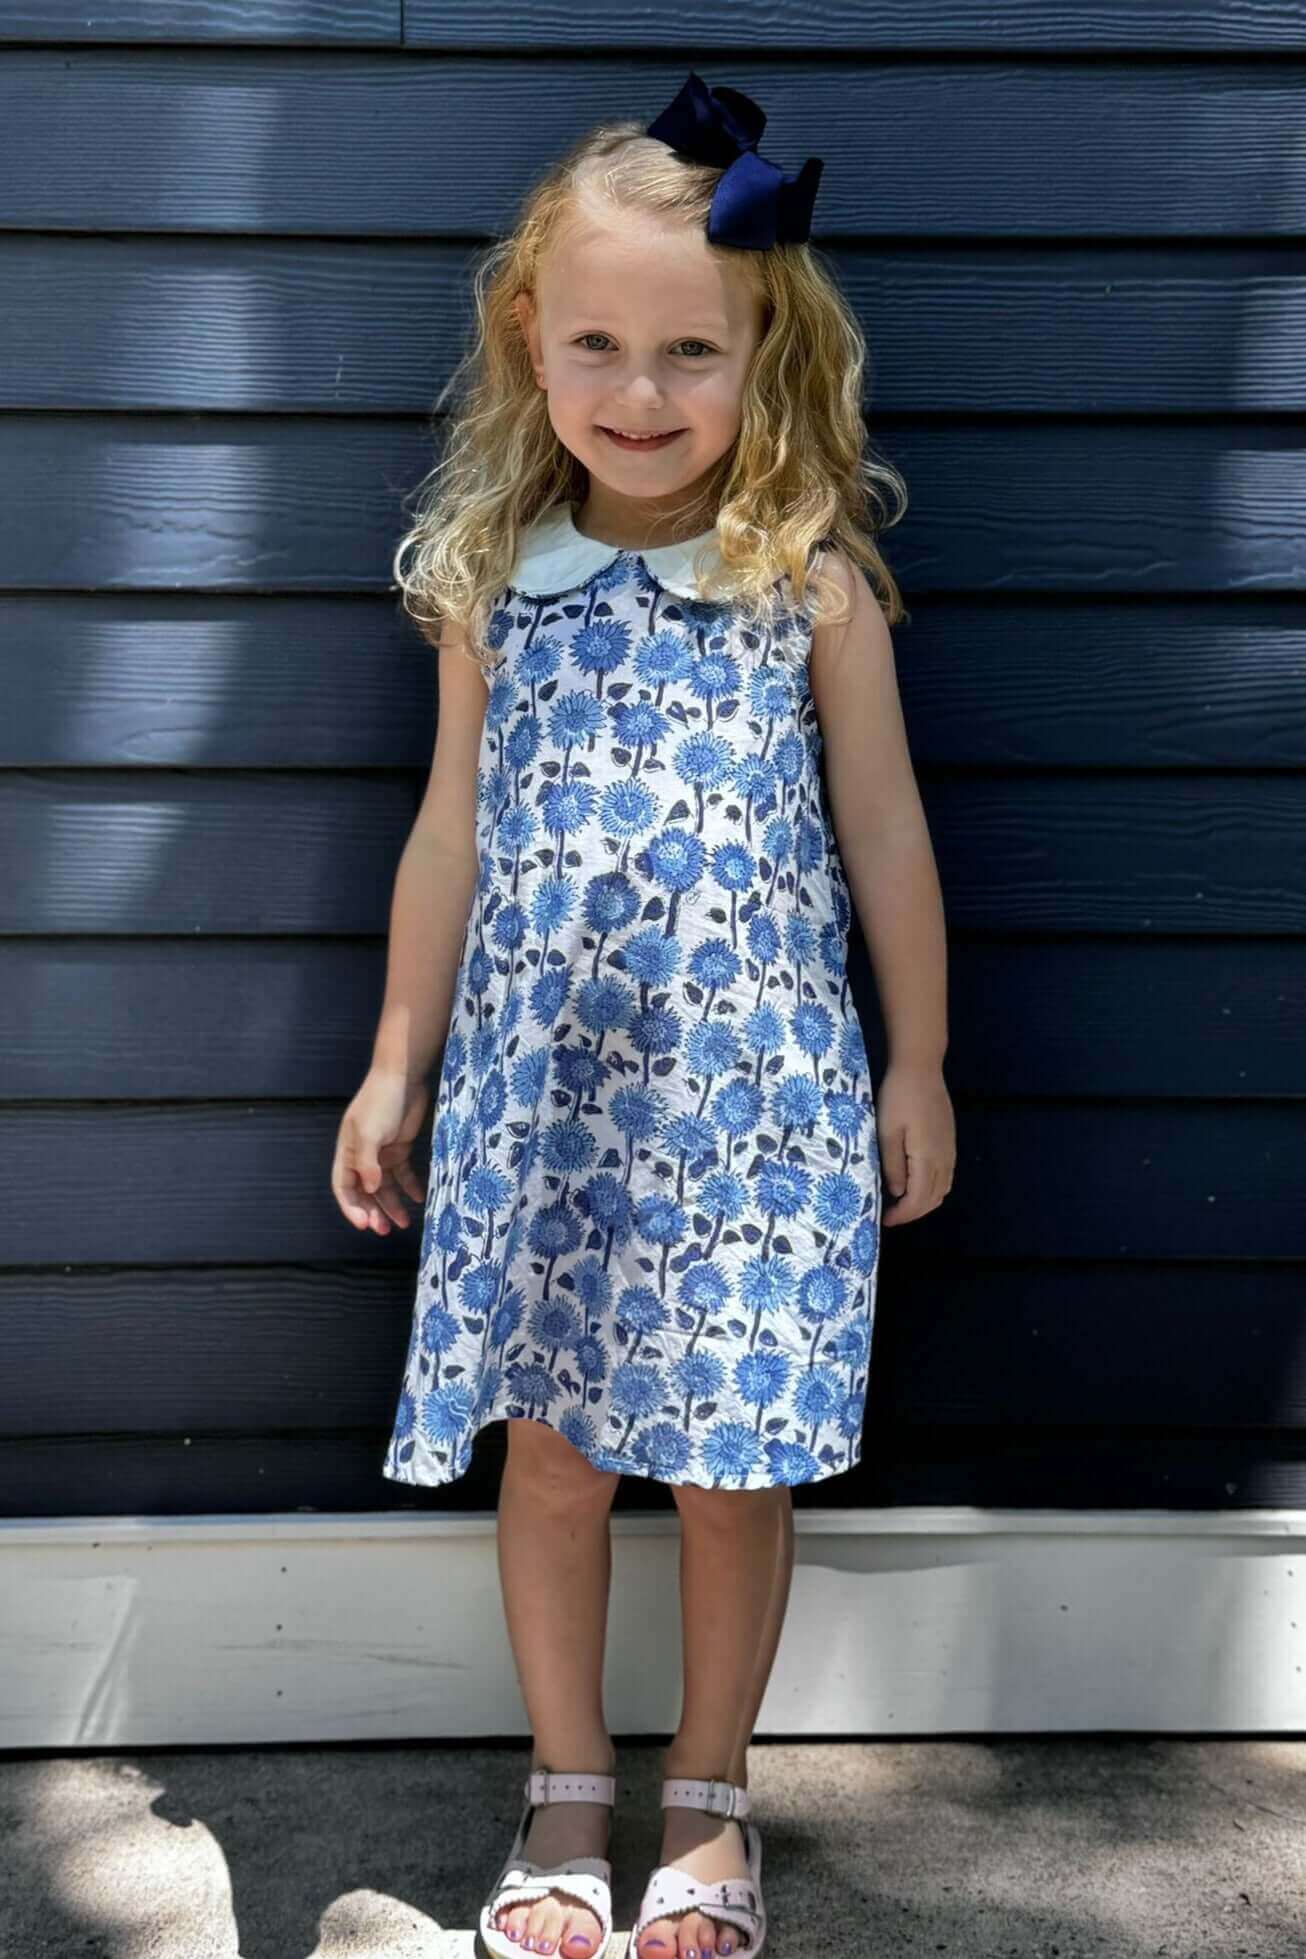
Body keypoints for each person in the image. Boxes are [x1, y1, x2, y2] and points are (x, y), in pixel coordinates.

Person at [331, 69, 956, 1959]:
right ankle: (563, 1777)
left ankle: (706, 1793)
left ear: (768, 356)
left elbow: (885, 828)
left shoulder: (805, 582)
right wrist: (395, 1055)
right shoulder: (489, 586)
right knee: (553, 1448)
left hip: (751, 1102)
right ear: (529, 338)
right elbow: (447, 831)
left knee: (727, 1458)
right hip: (542, 1103)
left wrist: (916, 1057)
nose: (641, 389)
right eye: (597, 341)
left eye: (694, 349)